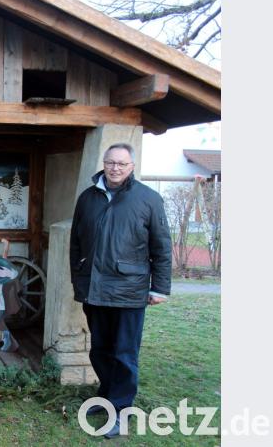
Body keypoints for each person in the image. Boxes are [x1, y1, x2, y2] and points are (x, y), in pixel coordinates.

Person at [70, 143, 172, 439]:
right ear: (104, 163)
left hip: (129, 291)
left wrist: (160, 288)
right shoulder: (88, 198)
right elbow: (75, 243)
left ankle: (120, 411)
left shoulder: (148, 199)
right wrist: (79, 280)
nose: (115, 168)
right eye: (111, 162)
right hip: (94, 289)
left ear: (132, 166)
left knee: (124, 353)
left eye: (122, 164)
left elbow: (162, 247)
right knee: (100, 349)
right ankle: (106, 396)